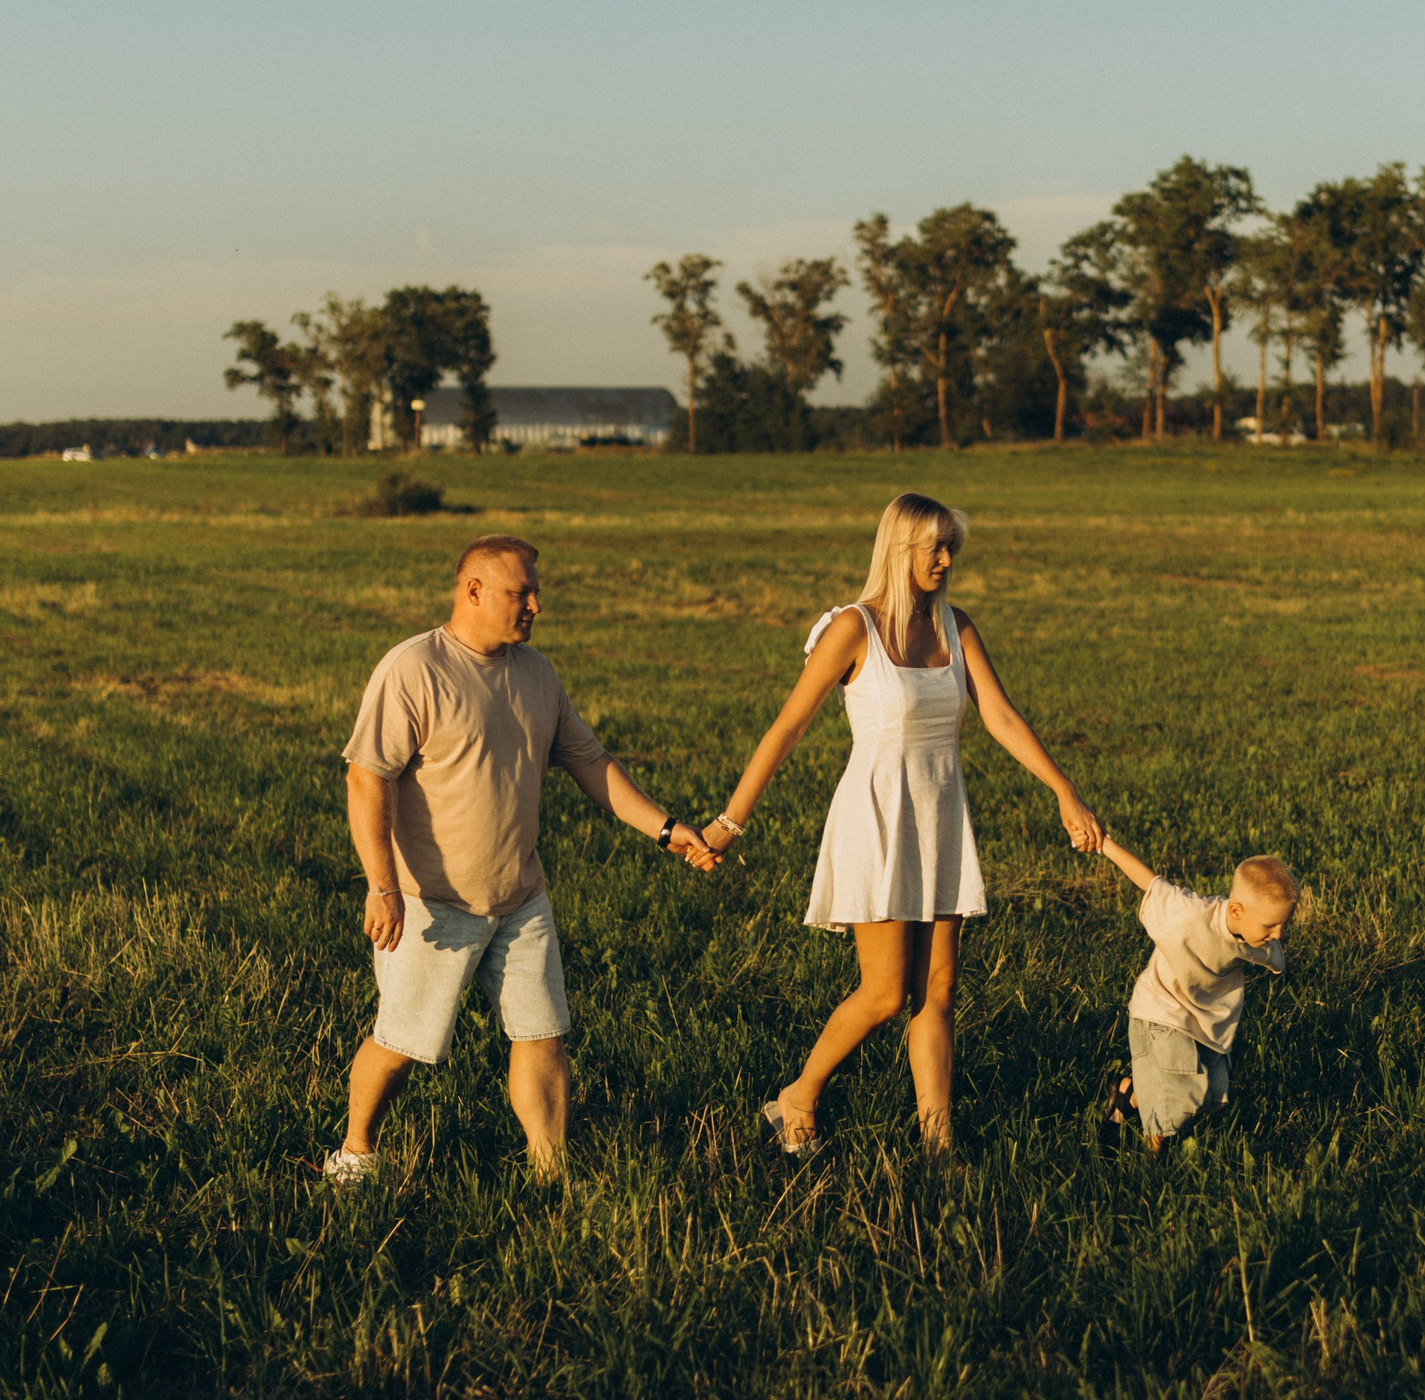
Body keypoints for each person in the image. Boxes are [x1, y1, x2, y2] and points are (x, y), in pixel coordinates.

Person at [697, 492, 1100, 1154]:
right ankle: (798, 1096)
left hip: (941, 815)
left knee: (937, 992)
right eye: (934, 548)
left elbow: (1001, 716)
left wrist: (1064, 790)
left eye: (951, 548)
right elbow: (788, 725)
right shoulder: (852, 628)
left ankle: (939, 1146)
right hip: (877, 819)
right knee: (886, 993)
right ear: (897, 549)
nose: (946, 560)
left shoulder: (955, 625)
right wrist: (729, 823)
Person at [327, 534, 711, 1185]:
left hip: (521, 898)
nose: (535, 604)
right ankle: (356, 1150)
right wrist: (382, 886)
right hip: (432, 904)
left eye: (536, 591)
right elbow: (367, 777)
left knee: (542, 1035)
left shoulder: (536, 672)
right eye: (520, 592)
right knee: (401, 1044)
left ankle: (549, 1171)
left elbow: (589, 761)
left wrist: (665, 827)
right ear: (472, 590)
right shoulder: (414, 668)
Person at [1093, 832, 1295, 1151]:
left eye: (1283, 925)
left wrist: (1274, 942)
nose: (1278, 934)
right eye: (1271, 926)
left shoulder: (1257, 937)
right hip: (1162, 1009)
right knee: (1177, 1098)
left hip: (1203, 1019)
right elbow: (1150, 882)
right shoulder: (1190, 913)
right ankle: (1152, 1166)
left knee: (1211, 1093)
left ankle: (1128, 1092)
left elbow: (1275, 958)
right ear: (1237, 911)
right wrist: (1104, 843)